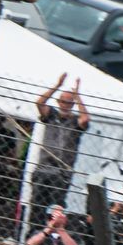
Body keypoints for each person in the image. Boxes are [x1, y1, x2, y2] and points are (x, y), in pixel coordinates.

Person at [31, 75, 89, 215]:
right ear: (58, 102)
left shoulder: (75, 122)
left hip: (62, 173)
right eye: (63, 102)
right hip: (43, 169)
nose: (65, 105)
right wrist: (56, 86)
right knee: (37, 207)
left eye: (69, 103)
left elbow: (85, 119)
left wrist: (77, 96)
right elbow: (39, 103)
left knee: (56, 208)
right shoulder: (51, 114)